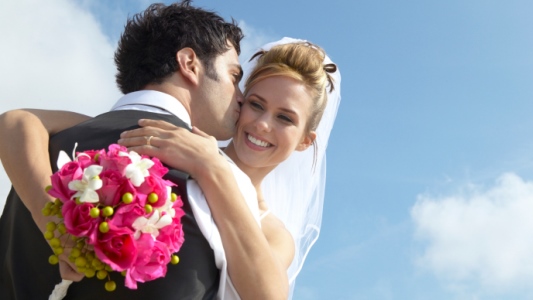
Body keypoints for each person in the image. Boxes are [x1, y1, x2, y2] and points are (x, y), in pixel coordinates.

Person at [0, 37, 341, 299]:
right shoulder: (164, 134)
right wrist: (56, 224)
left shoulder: (275, 234)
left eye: (284, 118)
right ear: (240, 101)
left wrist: (213, 168)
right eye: (256, 104)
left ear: (304, 141)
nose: (263, 124)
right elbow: (17, 122)